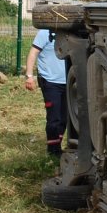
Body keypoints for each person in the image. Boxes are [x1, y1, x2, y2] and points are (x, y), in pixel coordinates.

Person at [25, 29, 67, 158]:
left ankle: (57, 144)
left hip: (67, 81)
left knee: (65, 117)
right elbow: (33, 53)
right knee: (54, 117)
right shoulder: (44, 33)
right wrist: (29, 76)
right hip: (50, 81)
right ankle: (53, 150)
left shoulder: (69, 32)